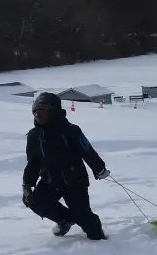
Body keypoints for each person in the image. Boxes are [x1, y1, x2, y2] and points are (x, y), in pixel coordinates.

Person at [22, 92, 110, 240]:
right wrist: (27, 184)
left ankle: (100, 240)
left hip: (74, 181)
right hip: (50, 181)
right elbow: (33, 163)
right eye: (35, 110)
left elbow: (86, 150)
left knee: (84, 217)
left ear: (53, 110)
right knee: (34, 201)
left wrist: (99, 169)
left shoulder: (70, 130)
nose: (37, 113)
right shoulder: (34, 136)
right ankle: (66, 219)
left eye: (41, 109)